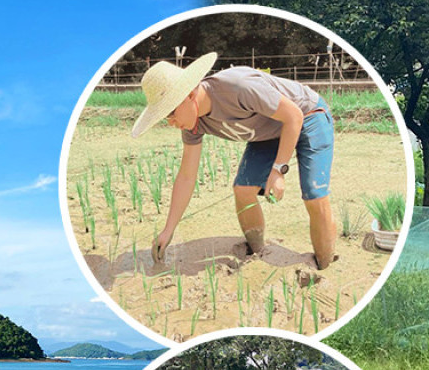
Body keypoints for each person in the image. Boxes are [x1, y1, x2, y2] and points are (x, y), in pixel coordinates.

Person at [131, 52, 339, 269]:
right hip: (267, 131)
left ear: (190, 94)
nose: (171, 122)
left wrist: (278, 170)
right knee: (243, 190)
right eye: (165, 117)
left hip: (308, 115)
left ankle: (324, 265)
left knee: (314, 195)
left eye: (171, 112)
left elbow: (293, 116)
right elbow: (186, 176)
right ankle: (258, 254)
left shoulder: (238, 87)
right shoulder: (193, 124)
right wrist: (168, 230)